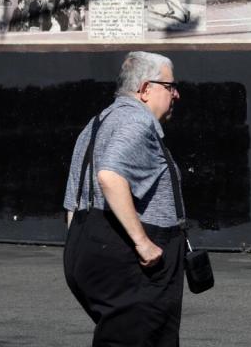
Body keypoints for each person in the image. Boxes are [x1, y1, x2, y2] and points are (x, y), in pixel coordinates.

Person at [63, 52, 187, 346]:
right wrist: (143, 244)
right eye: (170, 86)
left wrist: (84, 244)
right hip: (134, 260)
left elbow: (74, 200)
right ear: (146, 89)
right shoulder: (136, 122)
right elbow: (110, 177)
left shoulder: (96, 124)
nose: (176, 94)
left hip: (86, 246)